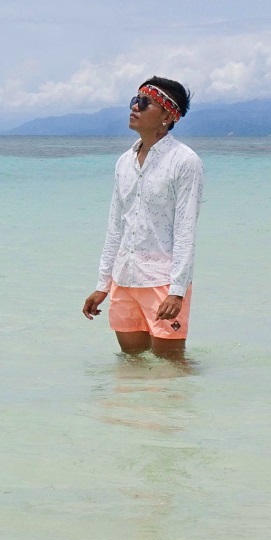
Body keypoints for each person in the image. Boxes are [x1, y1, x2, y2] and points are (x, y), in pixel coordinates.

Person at [81, 76, 203, 359]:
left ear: (167, 115)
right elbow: (115, 227)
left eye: (144, 102)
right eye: (134, 100)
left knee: (171, 368)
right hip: (124, 280)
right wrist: (103, 285)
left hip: (162, 281)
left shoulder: (185, 161)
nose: (134, 107)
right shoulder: (124, 161)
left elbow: (185, 229)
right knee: (132, 367)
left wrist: (177, 290)